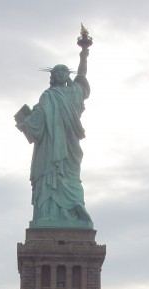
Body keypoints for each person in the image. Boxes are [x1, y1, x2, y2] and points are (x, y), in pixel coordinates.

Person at [15, 36, 93, 229]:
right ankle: (48, 214)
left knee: (70, 179)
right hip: (50, 149)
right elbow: (37, 124)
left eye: (63, 72)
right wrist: (26, 122)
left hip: (68, 146)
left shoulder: (73, 92)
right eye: (56, 72)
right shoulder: (48, 96)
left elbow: (82, 76)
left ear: (67, 76)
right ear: (52, 77)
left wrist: (84, 52)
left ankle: (74, 210)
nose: (59, 74)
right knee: (51, 178)